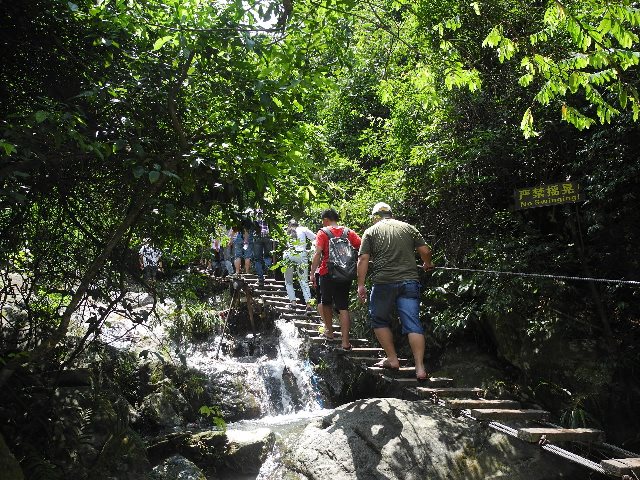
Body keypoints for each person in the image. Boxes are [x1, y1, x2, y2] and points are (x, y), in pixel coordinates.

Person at [356, 202, 434, 381]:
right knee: (412, 323)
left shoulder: (371, 231)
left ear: (375, 217)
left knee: (379, 319)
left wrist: (361, 284)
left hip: (383, 283)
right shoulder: (408, 228)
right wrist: (427, 263)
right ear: (391, 214)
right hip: (409, 281)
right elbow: (425, 250)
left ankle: (392, 359)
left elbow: (363, 259)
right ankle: (420, 368)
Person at [310, 208, 361, 350]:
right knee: (343, 307)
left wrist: (312, 273)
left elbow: (318, 253)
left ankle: (330, 332)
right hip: (345, 273)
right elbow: (362, 247)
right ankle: (345, 342)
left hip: (327, 272)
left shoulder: (323, 232)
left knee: (326, 302)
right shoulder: (348, 232)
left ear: (326, 219)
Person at [284, 219, 316, 310]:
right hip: (301, 254)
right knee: (303, 281)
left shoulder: (286, 231)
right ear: (298, 224)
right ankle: (308, 305)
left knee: (288, 282)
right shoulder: (303, 229)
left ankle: (293, 303)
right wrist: (311, 250)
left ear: (289, 225)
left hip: (288, 255)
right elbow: (315, 238)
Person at [252, 208, 272, 288]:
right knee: (267, 256)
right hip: (267, 236)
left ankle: (260, 279)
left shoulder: (254, 216)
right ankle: (268, 270)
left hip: (257, 237)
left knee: (257, 259)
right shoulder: (268, 216)